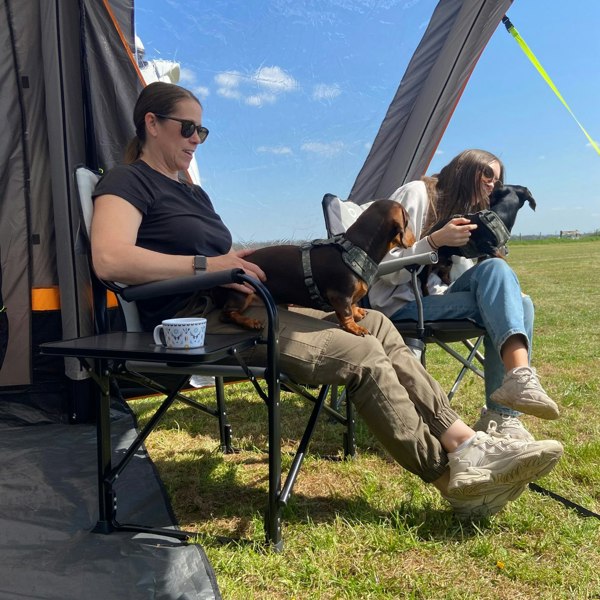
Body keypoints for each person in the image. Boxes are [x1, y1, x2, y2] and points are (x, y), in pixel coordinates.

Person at [90, 82, 563, 520]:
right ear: (151, 123)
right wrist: (206, 266)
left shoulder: (191, 191)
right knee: (359, 353)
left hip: (245, 301)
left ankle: (465, 444)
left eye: (203, 130)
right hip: (199, 321)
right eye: (187, 128)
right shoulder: (127, 182)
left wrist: (234, 258)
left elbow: (211, 254)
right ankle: (451, 480)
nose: (196, 139)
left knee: (376, 324)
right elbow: (110, 260)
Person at [368, 149, 559, 441]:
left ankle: (504, 413)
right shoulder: (417, 194)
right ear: (464, 170)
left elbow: (469, 277)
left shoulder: (467, 215)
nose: (493, 183)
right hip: (398, 306)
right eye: (487, 174)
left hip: (437, 300)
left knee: (520, 301)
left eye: (498, 178)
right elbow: (376, 266)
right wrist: (434, 242)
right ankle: (509, 401)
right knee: (515, 303)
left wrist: (484, 248)